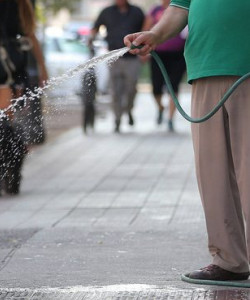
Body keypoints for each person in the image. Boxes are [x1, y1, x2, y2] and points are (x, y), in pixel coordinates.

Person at [126, 0, 250, 282]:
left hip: (247, 69)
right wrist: (155, 35)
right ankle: (229, 260)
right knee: (212, 173)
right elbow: (180, 8)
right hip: (205, 68)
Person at [90, 0, 145, 133]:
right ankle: (117, 119)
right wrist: (91, 39)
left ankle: (128, 110)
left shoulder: (137, 12)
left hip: (132, 58)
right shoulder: (107, 12)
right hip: (114, 58)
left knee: (131, 88)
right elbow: (95, 28)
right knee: (115, 90)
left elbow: (146, 28)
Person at [145, 0, 186, 132]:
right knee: (156, 87)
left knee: (173, 87)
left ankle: (170, 119)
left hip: (177, 55)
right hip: (158, 54)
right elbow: (146, 28)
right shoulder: (155, 10)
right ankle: (161, 107)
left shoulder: (184, 7)